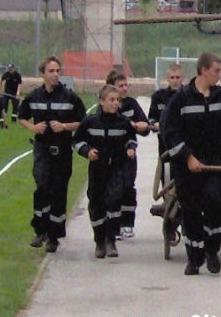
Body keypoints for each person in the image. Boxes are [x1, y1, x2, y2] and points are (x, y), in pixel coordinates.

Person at [160, 52, 221, 275]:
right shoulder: (182, 98)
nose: (219, 75)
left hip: (214, 163)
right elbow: (170, 132)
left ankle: (212, 251)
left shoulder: (220, 95)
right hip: (188, 168)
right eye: (216, 71)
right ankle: (194, 259)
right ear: (204, 70)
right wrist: (187, 157)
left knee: (216, 202)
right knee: (191, 211)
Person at [19, 56, 86, 253]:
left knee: (58, 192)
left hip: (62, 151)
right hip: (42, 151)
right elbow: (21, 116)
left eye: (58, 71)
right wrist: (33, 127)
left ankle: (54, 236)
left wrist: (64, 126)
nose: (55, 75)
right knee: (42, 189)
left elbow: (83, 121)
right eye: (51, 71)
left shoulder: (69, 97)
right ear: (43, 74)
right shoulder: (34, 96)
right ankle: (40, 230)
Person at [73, 85, 138, 258]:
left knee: (114, 201)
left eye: (117, 100)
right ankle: (99, 241)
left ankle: (111, 240)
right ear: (102, 102)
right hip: (97, 168)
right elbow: (77, 141)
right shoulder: (90, 122)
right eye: (111, 100)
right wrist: (87, 151)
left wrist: (130, 148)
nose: (115, 103)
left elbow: (131, 139)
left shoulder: (123, 123)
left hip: (117, 167)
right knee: (96, 203)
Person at [105, 69, 150, 239]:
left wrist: (142, 126)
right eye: (120, 86)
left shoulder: (132, 104)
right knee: (112, 192)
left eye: (126, 85)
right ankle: (114, 227)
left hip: (129, 155)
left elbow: (145, 126)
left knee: (128, 189)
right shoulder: (106, 108)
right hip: (110, 156)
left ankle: (128, 224)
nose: (124, 89)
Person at [148, 64, 184, 184]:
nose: (175, 81)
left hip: (183, 142)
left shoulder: (188, 96)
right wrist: (155, 124)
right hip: (164, 142)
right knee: (165, 174)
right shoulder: (158, 97)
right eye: (172, 77)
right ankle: (167, 201)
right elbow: (151, 118)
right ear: (167, 78)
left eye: (178, 77)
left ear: (182, 78)